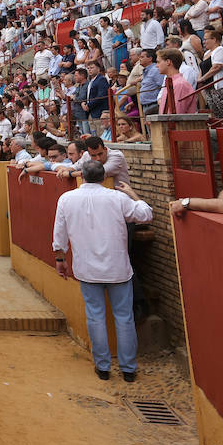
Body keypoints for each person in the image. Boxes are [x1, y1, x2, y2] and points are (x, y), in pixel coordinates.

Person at [52, 159, 154, 382]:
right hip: (117, 268)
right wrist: (132, 193)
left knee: (95, 316)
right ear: (103, 177)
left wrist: (60, 258)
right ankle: (128, 368)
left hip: (87, 268)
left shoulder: (67, 199)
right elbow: (146, 214)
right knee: (124, 318)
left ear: (82, 176)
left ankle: (103, 366)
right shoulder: (118, 198)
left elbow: (59, 234)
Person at [154, 48, 196, 115]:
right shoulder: (172, 82)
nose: (156, 65)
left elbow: (177, 114)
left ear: (168, 62)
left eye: (158, 62)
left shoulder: (180, 84)